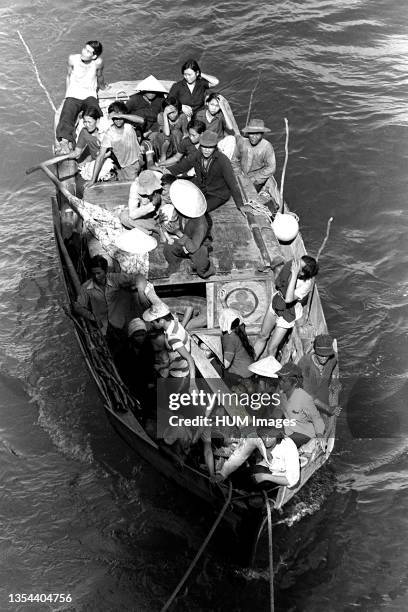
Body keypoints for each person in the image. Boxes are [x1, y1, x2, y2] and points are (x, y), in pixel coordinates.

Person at [254, 256, 319, 359]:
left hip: (288, 313)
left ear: (302, 273)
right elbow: (279, 282)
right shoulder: (292, 265)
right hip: (277, 302)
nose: (294, 265)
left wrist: (293, 275)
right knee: (262, 335)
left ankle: (268, 370)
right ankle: (251, 361)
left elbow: (289, 299)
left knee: (271, 348)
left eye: (298, 266)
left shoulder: (306, 284)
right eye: (297, 262)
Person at [168, 131, 244, 213]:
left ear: (215, 147)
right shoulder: (197, 155)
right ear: (200, 145)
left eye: (210, 147)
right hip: (202, 186)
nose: (206, 150)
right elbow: (181, 167)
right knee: (180, 196)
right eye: (204, 147)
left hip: (218, 193)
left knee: (199, 210)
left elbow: (232, 183)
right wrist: (165, 171)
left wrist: (240, 205)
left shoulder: (223, 160)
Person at [56, 41, 105, 153]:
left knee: (96, 113)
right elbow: (68, 76)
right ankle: (65, 141)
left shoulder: (98, 62)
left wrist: (103, 87)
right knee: (66, 115)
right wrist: (67, 94)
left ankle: (97, 139)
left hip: (89, 94)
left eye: (88, 51)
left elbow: (100, 76)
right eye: (84, 48)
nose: (83, 51)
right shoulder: (72, 59)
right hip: (74, 93)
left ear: (94, 56)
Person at [142, 300, 198, 393]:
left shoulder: (173, 338)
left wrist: (192, 384)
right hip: (176, 369)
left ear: (162, 321)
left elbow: (190, 359)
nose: (152, 324)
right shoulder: (174, 320)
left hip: (179, 375)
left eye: (153, 322)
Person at [162, 179, 214, 278]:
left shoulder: (201, 224)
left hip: (197, 246)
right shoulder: (182, 210)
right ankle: (175, 265)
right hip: (185, 239)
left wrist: (177, 232)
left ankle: (208, 271)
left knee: (201, 263)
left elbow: (193, 247)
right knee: (168, 249)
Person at [85, 101, 144, 186]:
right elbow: (100, 156)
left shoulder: (129, 125)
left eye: (120, 117)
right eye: (115, 118)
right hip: (127, 166)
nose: (118, 120)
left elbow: (141, 120)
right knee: (129, 188)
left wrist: (120, 115)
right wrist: (93, 180)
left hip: (139, 160)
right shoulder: (110, 134)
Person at [213, 430, 300, 488]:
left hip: (280, 476)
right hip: (266, 465)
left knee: (254, 478)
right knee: (236, 476)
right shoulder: (256, 437)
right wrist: (223, 473)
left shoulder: (289, 447)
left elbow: (291, 480)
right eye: (263, 435)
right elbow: (240, 455)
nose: (266, 439)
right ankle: (229, 486)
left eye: (271, 436)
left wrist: (264, 477)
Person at [277, 362, 325, 448]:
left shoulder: (304, 398)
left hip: (304, 434)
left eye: (284, 381)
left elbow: (316, 418)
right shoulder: (282, 395)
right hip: (289, 431)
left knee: (284, 444)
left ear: (294, 383)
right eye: (279, 379)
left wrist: (320, 435)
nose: (280, 383)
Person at [67, 107, 114, 182]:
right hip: (95, 160)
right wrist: (65, 156)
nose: (87, 125)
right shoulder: (84, 132)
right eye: (85, 122)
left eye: (89, 122)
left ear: (97, 121)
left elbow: (111, 152)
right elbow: (77, 152)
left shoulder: (106, 131)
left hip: (108, 159)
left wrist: (101, 156)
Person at [298, 334, 341, 417]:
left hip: (323, 392)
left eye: (327, 355)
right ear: (314, 351)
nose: (324, 358)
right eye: (321, 355)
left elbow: (334, 366)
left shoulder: (333, 358)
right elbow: (307, 394)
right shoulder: (304, 364)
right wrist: (328, 408)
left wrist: (334, 379)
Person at [231, 118, 276, 192]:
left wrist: (254, 179)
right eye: (251, 133)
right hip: (241, 175)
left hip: (257, 179)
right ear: (248, 133)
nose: (254, 137)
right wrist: (238, 175)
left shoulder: (267, 147)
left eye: (257, 134)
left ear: (262, 134)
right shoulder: (242, 142)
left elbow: (271, 168)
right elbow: (234, 160)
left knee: (249, 196)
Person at [219, 308, 255, 389]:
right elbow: (231, 317)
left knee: (218, 370)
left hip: (242, 375)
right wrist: (223, 302)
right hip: (249, 371)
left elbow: (226, 364)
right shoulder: (240, 328)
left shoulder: (229, 338)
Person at [120, 169, 163, 234]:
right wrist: (152, 204)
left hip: (161, 216)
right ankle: (154, 228)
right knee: (124, 217)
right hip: (147, 218)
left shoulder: (161, 179)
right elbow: (132, 214)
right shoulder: (135, 187)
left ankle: (157, 227)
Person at [195, 92, 236, 159]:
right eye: (212, 104)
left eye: (217, 106)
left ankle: (224, 162)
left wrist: (223, 108)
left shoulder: (220, 115)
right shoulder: (200, 115)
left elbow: (230, 127)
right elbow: (196, 131)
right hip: (205, 144)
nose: (214, 108)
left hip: (218, 143)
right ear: (207, 103)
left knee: (232, 138)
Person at [157, 97, 189, 161]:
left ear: (178, 110)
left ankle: (178, 156)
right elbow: (167, 133)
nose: (171, 115)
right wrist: (165, 115)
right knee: (160, 136)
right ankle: (163, 158)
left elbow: (185, 133)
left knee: (176, 132)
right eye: (169, 113)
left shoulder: (182, 116)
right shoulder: (161, 116)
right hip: (165, 144)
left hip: (178, 143)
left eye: (174, 112)